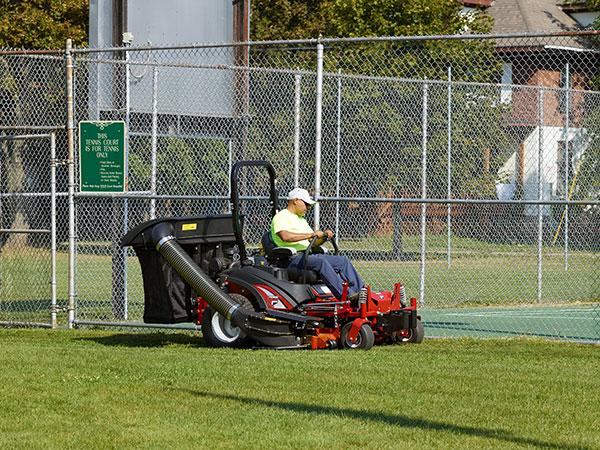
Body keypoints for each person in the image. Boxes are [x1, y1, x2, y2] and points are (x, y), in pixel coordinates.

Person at [270, 187, 364, 301]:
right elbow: (285, 236)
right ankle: (347, 297)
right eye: (306, 204)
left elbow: (314, 241)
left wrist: (324, 236)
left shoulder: (301, 220)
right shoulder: (281, 216)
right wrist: (310, 235)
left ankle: (361, 294)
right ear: (296, 200)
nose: (308, 208)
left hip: (307, 255)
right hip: (291, 259)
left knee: (342, 261)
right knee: (321, 262)